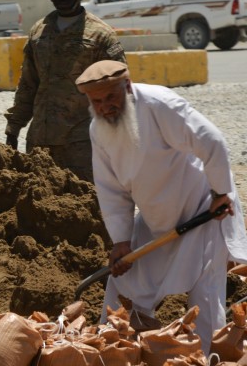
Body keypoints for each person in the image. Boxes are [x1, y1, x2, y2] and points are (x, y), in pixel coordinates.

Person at [75, 59, 247, 353]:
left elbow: (213, 141)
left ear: (127, 86)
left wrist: (220, 193)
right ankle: (113, 350)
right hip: (157, 219)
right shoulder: (98, 129)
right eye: (97, 101)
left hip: (203, 210)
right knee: (124, 280)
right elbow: (111, 189)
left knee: (205, 295)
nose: (106, 107)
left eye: (111, 97)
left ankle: (211, 357)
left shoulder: (159, 104)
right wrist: (121, 240)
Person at [4, 0, 126, 182]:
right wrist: (13, 128)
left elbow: (120, 92)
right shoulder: (39, 32)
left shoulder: (101, 36)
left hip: (82, 144)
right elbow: (28, 86)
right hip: (40, 142)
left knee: (87, 207)